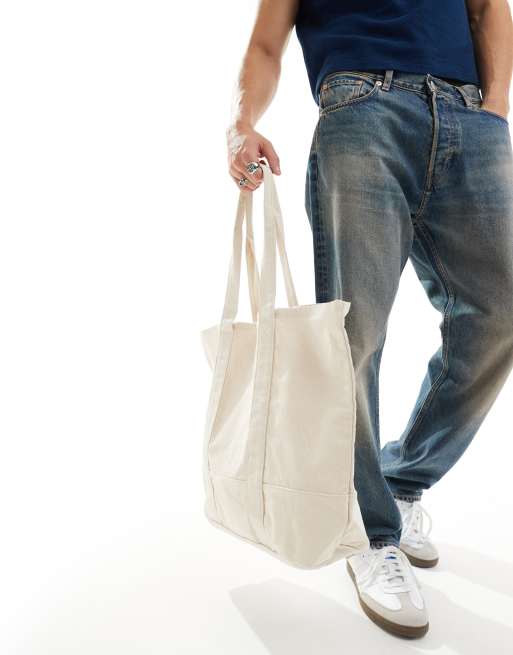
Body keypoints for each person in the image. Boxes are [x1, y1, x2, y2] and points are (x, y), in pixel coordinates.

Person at [226, 0, 513, 639]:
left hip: (467, 114)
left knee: (500, 314)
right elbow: (266, 43)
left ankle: (402, 480)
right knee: (354, 338)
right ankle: (371, 532)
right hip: (362, 109)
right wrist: (242, 123)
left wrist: (494, 110)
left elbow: (489, 8)